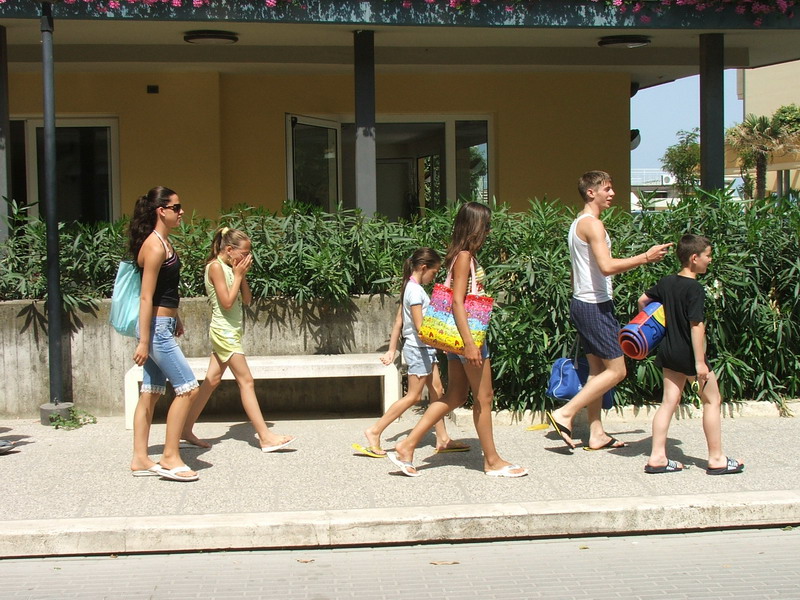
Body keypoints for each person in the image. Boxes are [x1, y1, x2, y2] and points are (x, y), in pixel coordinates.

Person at [388, 202, 527, 478]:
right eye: (486, 225)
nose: (488, 231)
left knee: (455, 395)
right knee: (484, 397)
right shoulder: (464, 257)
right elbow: (457, 303)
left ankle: (407, 445)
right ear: (475, 227)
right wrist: (470, 344)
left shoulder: (458, 256)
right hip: (468, 337)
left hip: (455, 338)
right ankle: (492, 461)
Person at [546, 171, 673, 451]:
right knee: (617, 371)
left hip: (585, 303)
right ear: (591, 192)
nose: (612, 193)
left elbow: (577, 271)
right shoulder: (593, 225)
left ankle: (597, 434)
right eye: (607, 189)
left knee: (597, 371)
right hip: (593, 306)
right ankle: (565, 413)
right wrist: (646, 257)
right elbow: (606, 266)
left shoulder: (578, 223)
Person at [181, 227, 295, 452]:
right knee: (246, 381)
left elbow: (247, 299)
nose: (247, 257)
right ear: (229, 249)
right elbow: (226, 303)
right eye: (244, 253)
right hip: (224, 331)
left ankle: (185, 429)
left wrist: (241, 275)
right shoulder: (215, 267)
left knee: (211, 381)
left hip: (231, 330)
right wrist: (238, 275)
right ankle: (265, 437)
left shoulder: (230, 268)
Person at [639, 234, 744, 475]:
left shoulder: (667, 282)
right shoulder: (694, 288)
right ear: (694, 258)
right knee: (712, 400)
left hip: (669, 350)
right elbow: (696, 326)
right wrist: (699, 363)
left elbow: (643, 300)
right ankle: (716, 459)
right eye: (708, 255)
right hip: (689, 354)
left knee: (668, 402)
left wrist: (652, 329)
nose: (710, 259)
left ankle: (657, 458)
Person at [354, 248, 470, 458]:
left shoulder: (411, 287)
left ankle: (443, 439)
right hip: (419, 349)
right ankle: (375, 431)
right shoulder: (415, 291)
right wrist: (444, 344)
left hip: (424, 348)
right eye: (433, 272)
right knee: (413, 396)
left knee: (437, 391)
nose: (433, 277)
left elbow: (402, 321)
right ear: (423, 268)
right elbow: (419, 326)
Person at [129, 186, 200, 481]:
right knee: (188, 388)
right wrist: (145, 341)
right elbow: (146, 296)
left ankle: (140, 459)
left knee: (151, 392)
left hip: (162, 325)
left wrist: (176, 317)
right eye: (176, 207)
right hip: (155, 330)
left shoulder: (163, 242)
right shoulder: (155, 246)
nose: (181, 212)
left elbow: (164, 291)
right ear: (162, 210)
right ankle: (170, 456)